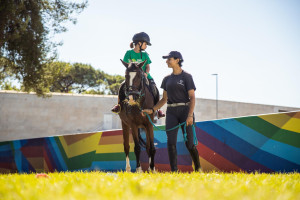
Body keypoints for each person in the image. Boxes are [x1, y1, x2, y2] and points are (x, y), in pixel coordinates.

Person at [142, 51, 201, 172]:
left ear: (177, 60)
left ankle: (198, 168)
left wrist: (190, 115)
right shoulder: (166, 79)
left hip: (185, 111)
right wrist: (152, 109)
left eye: (169, 59)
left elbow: (192, 97)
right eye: (166, 59)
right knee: (171, 143)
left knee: (189, 144)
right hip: (171, 112)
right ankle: (174, 171)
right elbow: (164, 99)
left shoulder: (187, 77)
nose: (167, 61)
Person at [111, 32, 165, 118]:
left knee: (154, 88)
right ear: (139, 43)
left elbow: (147, 67)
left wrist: (146, 74)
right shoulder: (128, 53)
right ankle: (119, 106)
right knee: (122, 86)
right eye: (145, 44)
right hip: (132, 77)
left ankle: (158, 109)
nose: (146, 46)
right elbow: (128, 66)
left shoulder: (145, 54)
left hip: (145, 76)